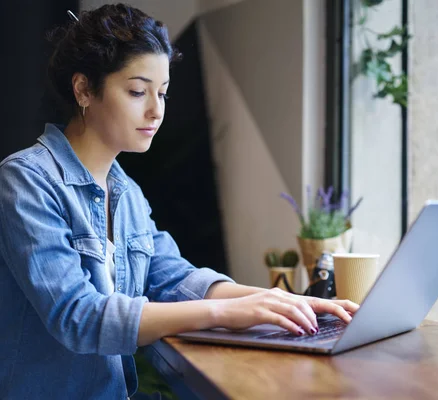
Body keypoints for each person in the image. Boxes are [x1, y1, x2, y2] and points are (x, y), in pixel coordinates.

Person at [0, 4, 358, 399]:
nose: (156, 110)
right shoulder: (25, 180)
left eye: (163, 93)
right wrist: (224, 313)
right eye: (137, 92)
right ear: (84, 89)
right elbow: (77, 316)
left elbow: (174, 279)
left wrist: (278, 300)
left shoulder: (128, 195)